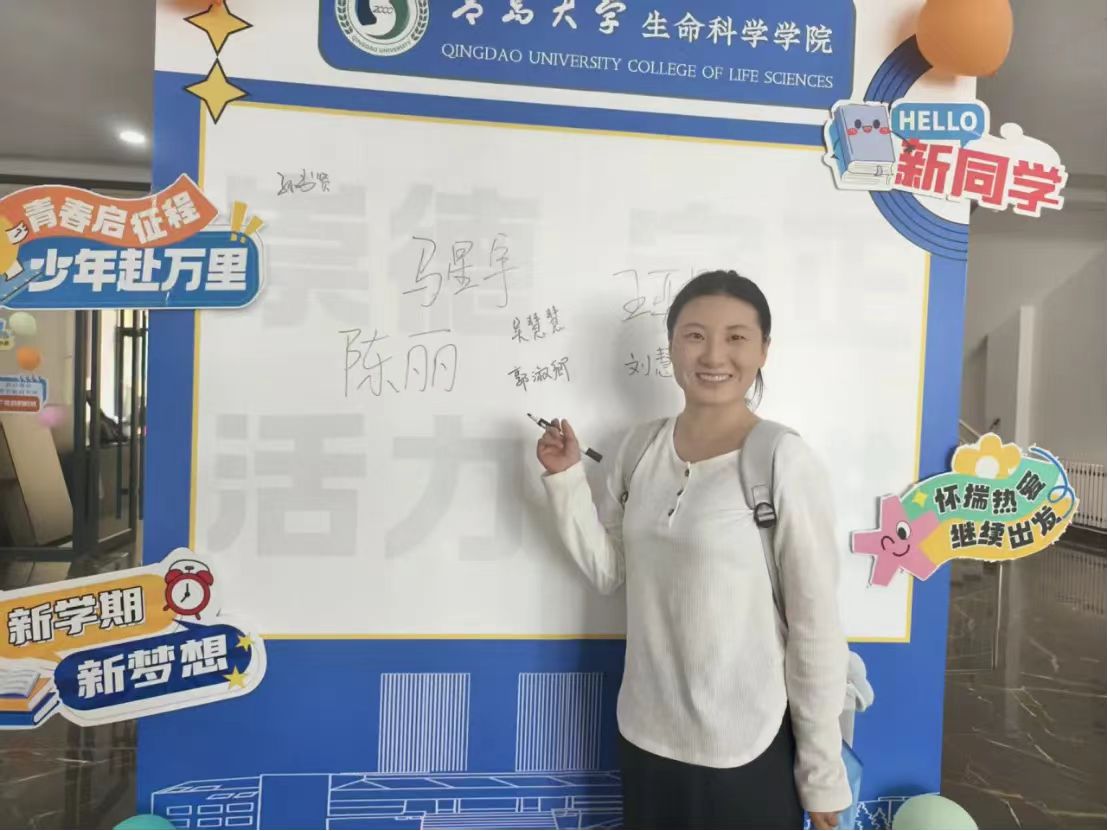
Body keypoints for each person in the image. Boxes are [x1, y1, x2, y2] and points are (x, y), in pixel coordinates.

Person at [536, 271, 850, 830]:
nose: (713, 355)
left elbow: (816, 626)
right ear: (672, 345)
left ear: (764, 350)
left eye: (736, 337)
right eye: (695, 335)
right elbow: (609, 572)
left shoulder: (782, 459)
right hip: (647, 733)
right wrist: (564, 480)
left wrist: (821, 773)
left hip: (746, 743)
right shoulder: (639, 448)